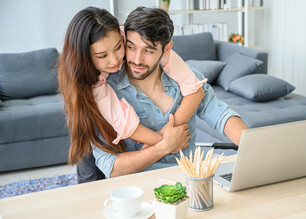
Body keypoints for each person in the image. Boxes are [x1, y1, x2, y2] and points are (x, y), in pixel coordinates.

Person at [90, 6, 248, 179]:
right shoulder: (106, 94)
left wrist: (253, 148)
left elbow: (221, 116)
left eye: (148, 50)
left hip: (189, 182)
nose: (136, 59)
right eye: (131, 47)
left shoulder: (187, 79)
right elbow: (110, 167)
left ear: (166, 49)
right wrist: (164, 146)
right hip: (137, 189)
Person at [58, 6, 208, 181]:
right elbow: (126, 125)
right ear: (85, 56)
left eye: (118, 47)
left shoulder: (133, 39)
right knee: (90, 177)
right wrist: (165, 141)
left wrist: (164, 138)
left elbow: (193, 87)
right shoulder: (90, 83)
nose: (114, 60)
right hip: (86, 114)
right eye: (102, 55)